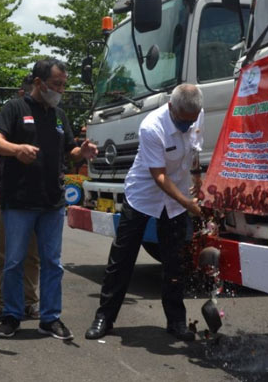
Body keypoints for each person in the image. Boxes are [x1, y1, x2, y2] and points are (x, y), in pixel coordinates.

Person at [84, 83, 204, 342]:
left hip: (176, 200)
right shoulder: (152, 126)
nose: (186, 127)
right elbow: (158, 175)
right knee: (122, 259)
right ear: (171, 108)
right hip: (143, 196)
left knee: (174, 262)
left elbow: (194, 149)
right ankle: (104, 317)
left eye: (191, 122)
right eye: (182, 123)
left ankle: (176, 322)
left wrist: (196, 177)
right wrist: (187, 202)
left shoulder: (195, 113)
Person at [0, 59, 97, 339]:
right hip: (19, 201)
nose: (61, 90)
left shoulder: (59, 115)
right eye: (56, 84)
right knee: (14, 261)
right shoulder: (15, 108)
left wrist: (82, 152)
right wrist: (16, 149)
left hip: (52, 202)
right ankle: (12, 315)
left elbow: (71, 151)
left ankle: (50, 318)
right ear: (38, 83)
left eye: (64, 84)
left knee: (53, 262)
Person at [0, 106, 40, 323]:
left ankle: (29, 302)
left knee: (31, 255)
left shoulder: (45, 119)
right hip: (2, 196)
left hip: (33, 197)